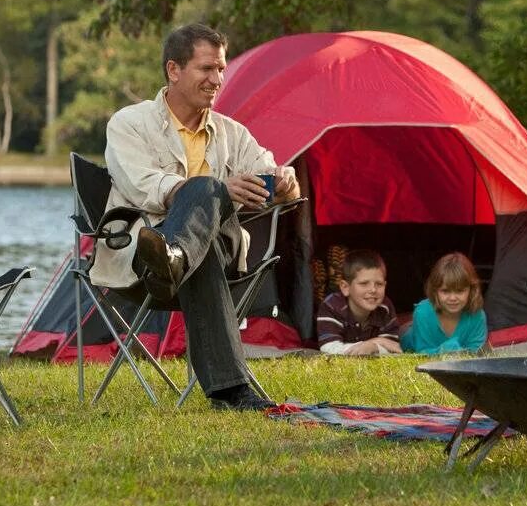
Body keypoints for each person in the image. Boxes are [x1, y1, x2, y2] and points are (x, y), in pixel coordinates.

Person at [90, 23, 300, 411]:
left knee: (206, 200)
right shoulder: (128, 124)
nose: (217, 79)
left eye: (220, 69)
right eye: (207, 69)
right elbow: (143, 186)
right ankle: (230, 392)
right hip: (144, 253)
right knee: (204, 192)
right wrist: (215, 189)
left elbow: (270, 174)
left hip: (211, 249)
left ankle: (175, 258)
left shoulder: (232, 133)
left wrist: (286, 182)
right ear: (174, 70)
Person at [316, 250, 402, 355]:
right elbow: (329, 348)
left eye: (379, 284)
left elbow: (394, 349)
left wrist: (373, 346)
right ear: (345, 287)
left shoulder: (385, 307)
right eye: (364, 283)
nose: (373, 290)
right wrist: (374, 344)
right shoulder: (331, 306)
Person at [401, 252, 489, 355]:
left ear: (472, 290)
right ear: (435, 291)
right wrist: (449, 349)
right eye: (445, 291)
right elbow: (422, 354)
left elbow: (475, 354)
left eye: (460, 291)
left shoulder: (477, 315)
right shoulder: (422, 313)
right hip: (411, 337)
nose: (452, 298)